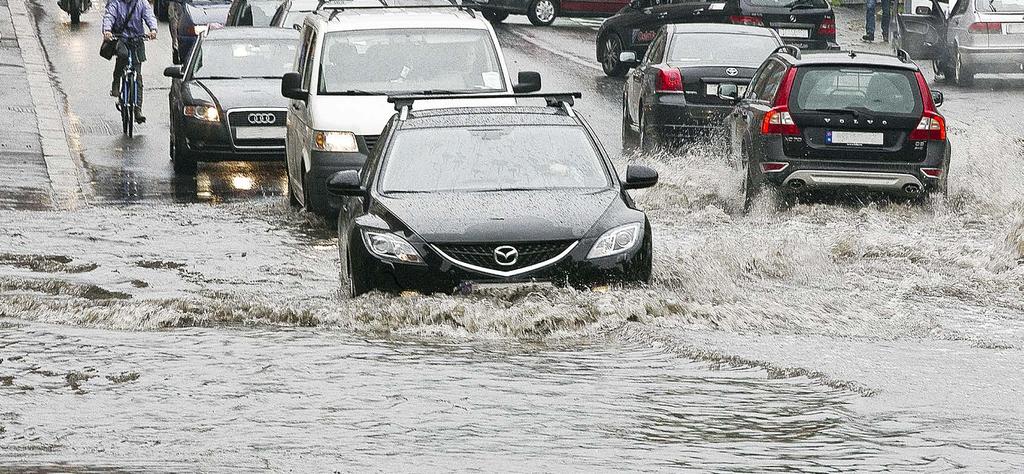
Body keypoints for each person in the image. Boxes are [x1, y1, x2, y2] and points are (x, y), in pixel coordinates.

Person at [102, 0, 157, 123]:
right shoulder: (116, 3)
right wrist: (107, 31)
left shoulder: (141, 3)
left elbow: (149, 15)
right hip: (121, 39)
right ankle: (116, 82)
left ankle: (137, 109)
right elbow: (109, 16)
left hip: (137, 40)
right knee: (123, 55)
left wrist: (153, 29)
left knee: (137, 75)